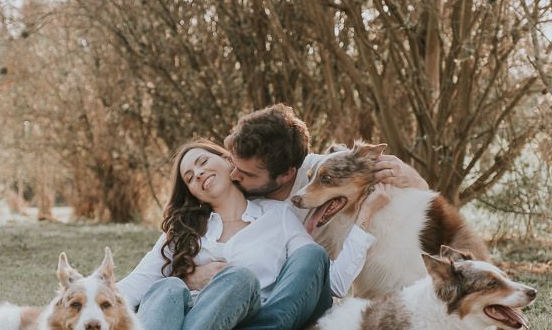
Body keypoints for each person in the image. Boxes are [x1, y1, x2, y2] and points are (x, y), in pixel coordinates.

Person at [118, 139, 388, 330]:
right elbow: (138, 281)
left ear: (228, 162)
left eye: (202, 163)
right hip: (200, 323)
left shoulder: (278, 215)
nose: (198, 174)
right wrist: (87, 304)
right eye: (189, 177)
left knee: (294, 261)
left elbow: (333, 282)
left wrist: (365, 213)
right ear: (192, 192)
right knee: (169, 287)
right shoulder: (182, 230)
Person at [183, 103, 428, 299]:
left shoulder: (326, 178)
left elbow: (420, 194)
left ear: (287, 174)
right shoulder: (227, 190)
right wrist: (192, 277)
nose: (234, 176)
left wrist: (410, 176)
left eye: (246, 174)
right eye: (232, 164)